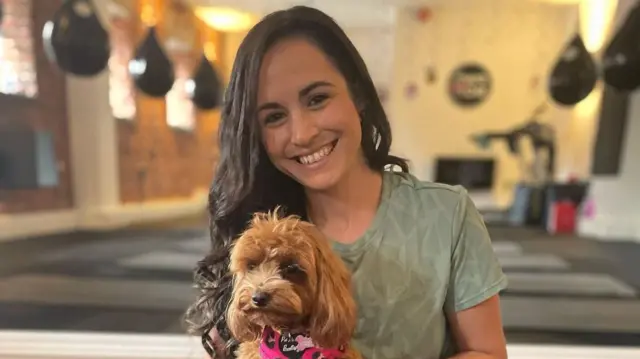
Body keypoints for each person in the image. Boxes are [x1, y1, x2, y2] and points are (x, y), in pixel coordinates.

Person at [185, 6, 508, 359]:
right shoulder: (255, 226)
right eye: (275, 117)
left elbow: (486, 353)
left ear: (358, 94)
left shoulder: (447, 215)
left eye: (318, 99)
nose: (304, 133)